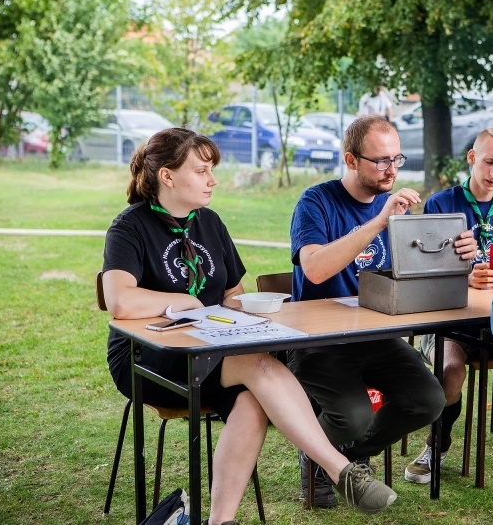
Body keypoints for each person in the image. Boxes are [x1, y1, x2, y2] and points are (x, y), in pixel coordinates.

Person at [101, 127, 397, 524]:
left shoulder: (210, 222)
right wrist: (184, 301)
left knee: (252, 400)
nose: (213, 179)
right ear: (167, 176)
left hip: (211, 351)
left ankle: (220, 521)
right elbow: (119, 300)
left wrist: (262, 307)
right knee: (257, 365)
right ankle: (338, 468)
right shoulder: (130, 227)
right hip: (149, 358)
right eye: (202, 170)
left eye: (212, 170)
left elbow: (230, 295)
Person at [288, 114, 476, 507]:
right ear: (351, 160)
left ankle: (345, 459)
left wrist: (461, 257)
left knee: (429, 399)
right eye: (381, 161)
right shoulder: (316, 202)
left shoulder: (396, 212)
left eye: (397, 159)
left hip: (376, 337)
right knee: (353, 415)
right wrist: (378, 222)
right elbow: (316, 268)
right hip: (319, 341)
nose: (391, 169)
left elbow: (417, 277)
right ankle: (320, 454)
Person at [403, 126, 493, 485]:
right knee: (449, 374)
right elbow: (424, 270)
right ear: (472, 158)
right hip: (453, 322)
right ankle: (438, 442)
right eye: (489, 162)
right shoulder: (441, 205)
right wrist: (464, 277)